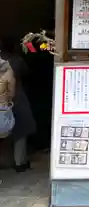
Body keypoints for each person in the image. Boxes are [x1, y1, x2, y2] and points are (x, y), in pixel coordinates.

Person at [0, 37, 36, 172]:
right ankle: (19, 162)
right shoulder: (17, 61)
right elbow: (28, 75)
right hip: (17, 99)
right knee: (20, 131)